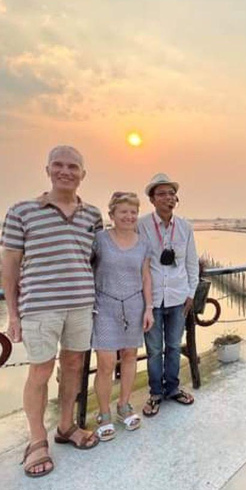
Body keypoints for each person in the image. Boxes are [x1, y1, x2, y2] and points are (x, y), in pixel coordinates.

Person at [0, 145, 102, 478]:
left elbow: (95, 260)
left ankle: (66, 426)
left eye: (73, 166)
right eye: (58, 165)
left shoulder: (93, 215)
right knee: (40, 371)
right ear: (47, 170)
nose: (66, 171)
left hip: (81, 304)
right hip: (40, 307)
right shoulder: (22, 211)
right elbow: (10, 266)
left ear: (82, 174)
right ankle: (36, 439)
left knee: (73, 365)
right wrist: (13, 315)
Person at [91, 192, 154, 440]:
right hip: (104, 306)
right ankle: (103, 412)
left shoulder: (143, 243)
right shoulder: (99, 240)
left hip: (134, 305)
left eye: (133, 212)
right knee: (105, 363)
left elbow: (146, 277)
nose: (128, 217)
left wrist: (148, 308)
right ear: (112, 215)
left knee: (129, 357)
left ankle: (124, 405)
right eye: (123, 212)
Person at [138, 173, 199, 417]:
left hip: (177, 298)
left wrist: (191, 293)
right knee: (153, 349)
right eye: (162, 193)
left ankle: (173, 388)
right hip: (151, 300)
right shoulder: (141, 225)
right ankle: (155, 393)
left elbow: (192, 264)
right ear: (152, 199)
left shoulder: (185, 227)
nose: (168, 198)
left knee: (173, 346)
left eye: (172, 194)